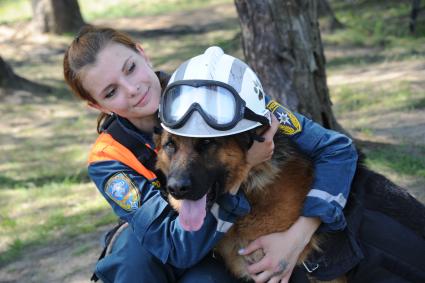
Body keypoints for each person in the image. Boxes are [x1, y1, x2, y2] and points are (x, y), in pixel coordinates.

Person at [63, 25, 358, 283]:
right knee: (132, 259)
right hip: (168, 248)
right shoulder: (109, 158)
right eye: (111, 92)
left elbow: (336, 149)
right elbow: (174, 247)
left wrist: (300, 234)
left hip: (220, 246)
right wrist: (247, 164)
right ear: (97, 106)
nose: (132, 89)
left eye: (130, 68)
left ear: (143, 54)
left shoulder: (218, 89)